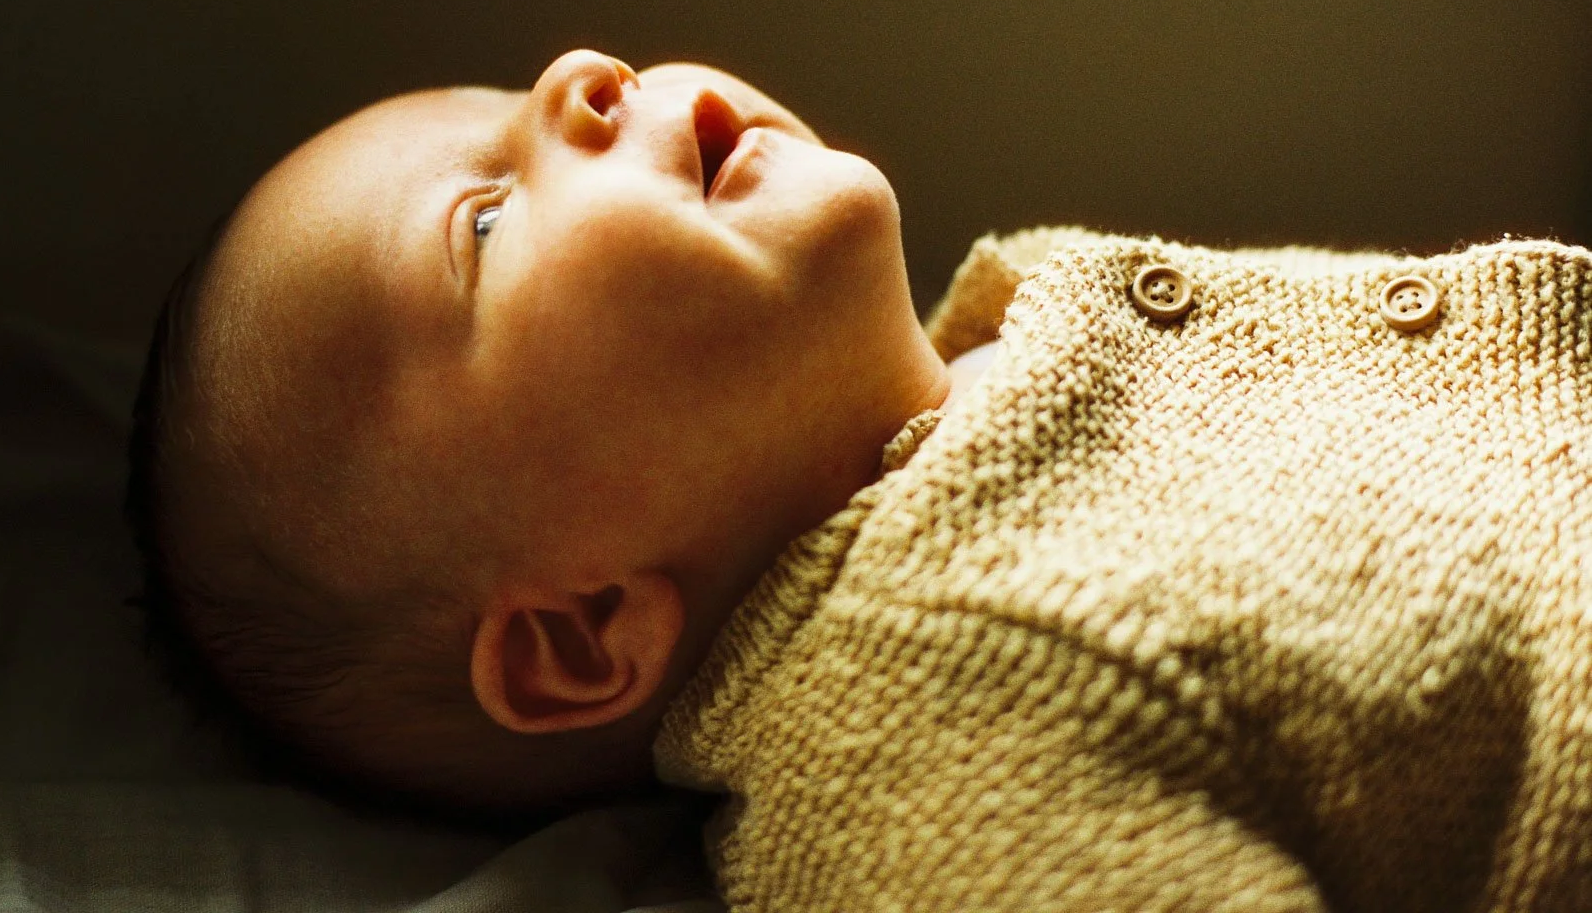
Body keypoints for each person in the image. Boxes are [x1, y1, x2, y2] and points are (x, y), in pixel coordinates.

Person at [126, 50, 1592, 910]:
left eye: (508, 92)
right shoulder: (919, 756)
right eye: (487, 222)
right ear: (581, 635)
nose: (583, 77)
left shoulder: (1042, 321)